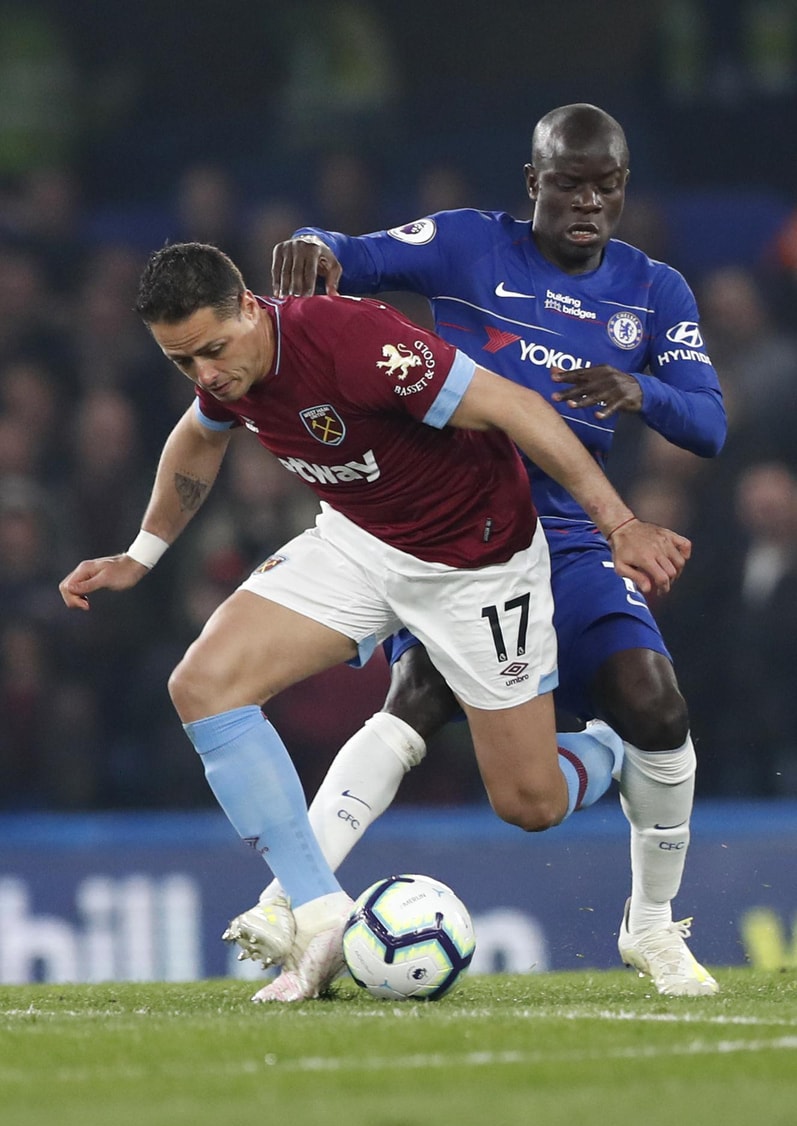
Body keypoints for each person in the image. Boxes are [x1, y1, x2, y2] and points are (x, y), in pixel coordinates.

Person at [59, 240, 689, 1002]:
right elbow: (199, 434)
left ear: (250, 309)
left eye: (212, 352)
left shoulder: (355, 342)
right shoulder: (227, 370)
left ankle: (610, 751)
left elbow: (518, 409)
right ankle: (318, 912)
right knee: (202, 684)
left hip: (476, 564)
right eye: (181, 361)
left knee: (531, 803)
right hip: (359, 543)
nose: (204, 375)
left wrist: (620, 524)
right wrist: (141, 555)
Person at [228, 103, 726, 996]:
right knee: (416, 697)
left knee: (655, 704)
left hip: (566, 532)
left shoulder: (654, 291)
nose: (587, 203)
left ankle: (651, 926)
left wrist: (638, 389)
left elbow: (709, 424)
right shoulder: (466, 245)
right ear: (532, 182)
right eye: (567, 184)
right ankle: (292, 909)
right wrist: (311, 243)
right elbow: (349, 254)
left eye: (605, 187)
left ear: (623, 188)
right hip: (449, 525)